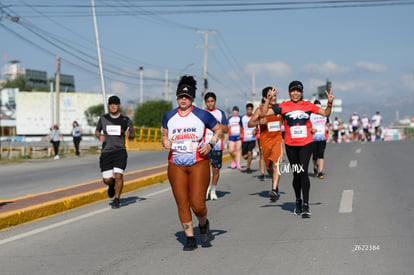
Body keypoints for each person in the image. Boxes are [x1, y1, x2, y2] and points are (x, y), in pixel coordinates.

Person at [162, 75, 222, 251]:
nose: (183, 100)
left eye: (186, 97)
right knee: (182, 202)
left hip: (198, 163)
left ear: (192, 98)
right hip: (176, 164)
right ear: (177, 97)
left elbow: (218, 130)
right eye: (181, 96)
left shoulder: (202, 115)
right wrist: (164, 141)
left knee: (197, 204)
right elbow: (164, 135)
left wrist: (210, 144)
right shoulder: (169, 116)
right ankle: (190, 238)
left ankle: (203, 223)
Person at [261, 81, 334, 217]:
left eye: (298, 91)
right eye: (293, 91)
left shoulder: (308, 105)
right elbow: (264, 113)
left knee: (304, 172)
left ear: (302, 92)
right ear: (289, 92)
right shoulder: (283, 106)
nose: (295, 93)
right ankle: (298, 201)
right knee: (296, 174)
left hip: (306, 144)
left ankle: (306, 205)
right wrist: (269, 100)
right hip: (291, 145)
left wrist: (329, 103)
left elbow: (326, 113)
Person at [95, 95, 135, 209]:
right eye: (111, 104)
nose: (113, 106)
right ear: (109, 106)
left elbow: (133, 134)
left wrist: (129, 135)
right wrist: (100, 136)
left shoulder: (125, 120)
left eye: (115, 104)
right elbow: (97, 131)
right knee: (107, 179)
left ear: (119, 105)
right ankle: (111, 185)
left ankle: (117, 199)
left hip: (120, 151)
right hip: (106, 152)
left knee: (118, 175)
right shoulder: (103, 118)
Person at [249, 86, 283, 201]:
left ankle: (274, 189)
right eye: (270, 96)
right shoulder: (260, 109)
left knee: (276, 164)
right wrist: (259, 121)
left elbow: (284, 122)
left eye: (274, 95)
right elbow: (250, 123)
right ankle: (275, 181)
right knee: (269, 166)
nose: (273, 98)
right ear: (265, 98)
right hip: (265, 142)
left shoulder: (279, 109)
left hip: (277, 140)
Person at [204, 92, 229, 201]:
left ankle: (213, 190)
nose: (210, 103)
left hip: (217, 145)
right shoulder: (202, 113)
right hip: (204, 145)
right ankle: (204, 191)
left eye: (212, 101)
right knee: (204, 170)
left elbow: (226, 130)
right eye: (208, 102)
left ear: (215, 101)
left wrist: (218, 123)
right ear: (205, 102)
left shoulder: (220, 113)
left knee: (216, 169)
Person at [310, 100, 329, 179]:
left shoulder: (324, 114)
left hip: (322, 137)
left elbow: (327, 123)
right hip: (313, 138)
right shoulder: (310, 115)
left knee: (321, 154)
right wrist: (311, 129)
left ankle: (321, 171)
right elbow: (308, 126)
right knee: (314, 156)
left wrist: (327, 129)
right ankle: (315, 167)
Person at [241, 103, 257, 174]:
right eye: (248, 109)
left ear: (252, 110)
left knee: (250, 152)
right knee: (245, 156)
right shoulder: (243, 118)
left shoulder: (255, 117)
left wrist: (255, 131)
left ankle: (248, 167)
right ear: (246, 110)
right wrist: (241, 133)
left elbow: (258, 127)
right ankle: (247, 157)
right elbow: (241, 127)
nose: (249, 111)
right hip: (245, 139)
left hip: (252, 138)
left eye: (251, 109)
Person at [227, 106, 243, 170]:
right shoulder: (230, 118)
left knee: (238, 150)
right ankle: (234, 159)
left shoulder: (240, 118)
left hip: (238, 135)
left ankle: (238, 164)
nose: (235, 112)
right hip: (232, 136)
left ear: (238, 112)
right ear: (232, 111)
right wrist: (228, 135)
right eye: (234, 111)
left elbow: (242, 127)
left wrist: (242, 134)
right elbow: (228, 127)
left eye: (236, 111)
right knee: (231, 150)